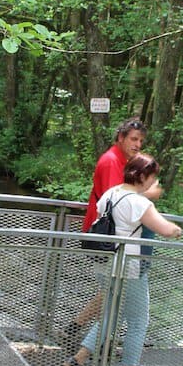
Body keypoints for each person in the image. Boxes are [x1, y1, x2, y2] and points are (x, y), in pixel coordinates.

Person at [63, 152, 182, 366]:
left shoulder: (111, 194)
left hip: (105, 263)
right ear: (142, 176)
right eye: (151, 178)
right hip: (129, 269)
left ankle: (77, 360)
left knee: (109, 315)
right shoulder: (138, 202)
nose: (153, 183)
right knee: (138, 322)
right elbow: (165, 229)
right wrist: (178, 230)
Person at [66, 117, 148, 348]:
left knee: (111, 290)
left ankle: (74, 328)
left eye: (141, 141)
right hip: (106, 238)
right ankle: (85, 349)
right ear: (120, 138)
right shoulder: (113, 161)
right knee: (116, 293)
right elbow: (119, 200)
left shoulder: (123, 160)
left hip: (108, 236)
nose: (138, 144)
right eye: (133, 139)